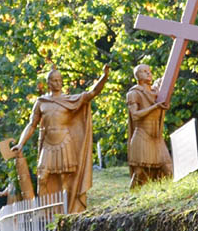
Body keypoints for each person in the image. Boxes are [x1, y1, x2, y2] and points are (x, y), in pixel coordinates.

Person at [12, 64, 109, 213]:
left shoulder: (69, 100)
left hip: (65, 142)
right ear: (48, 83)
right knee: (42, 177)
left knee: (66, 180)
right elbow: (31, 124)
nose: (57, 83)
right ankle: (44, 212)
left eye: (59, 80)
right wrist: (20, 143)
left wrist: (104, 76)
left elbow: (92, 93)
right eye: (54, 80)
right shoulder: (41, 102)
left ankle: (67, 211)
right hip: (48, 145)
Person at [126, 65, 173, 187]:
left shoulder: (155, 92)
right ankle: (132, 198)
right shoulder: (133, 93)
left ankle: (168, 195)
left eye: (150, 71)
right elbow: (135, 115)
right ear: (137, 76)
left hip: (156, 138)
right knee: (140, 173)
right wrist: (155, 107)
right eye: (144, 72)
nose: (148, 74)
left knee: (168, 168)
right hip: (142, 135)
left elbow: (165, 80)